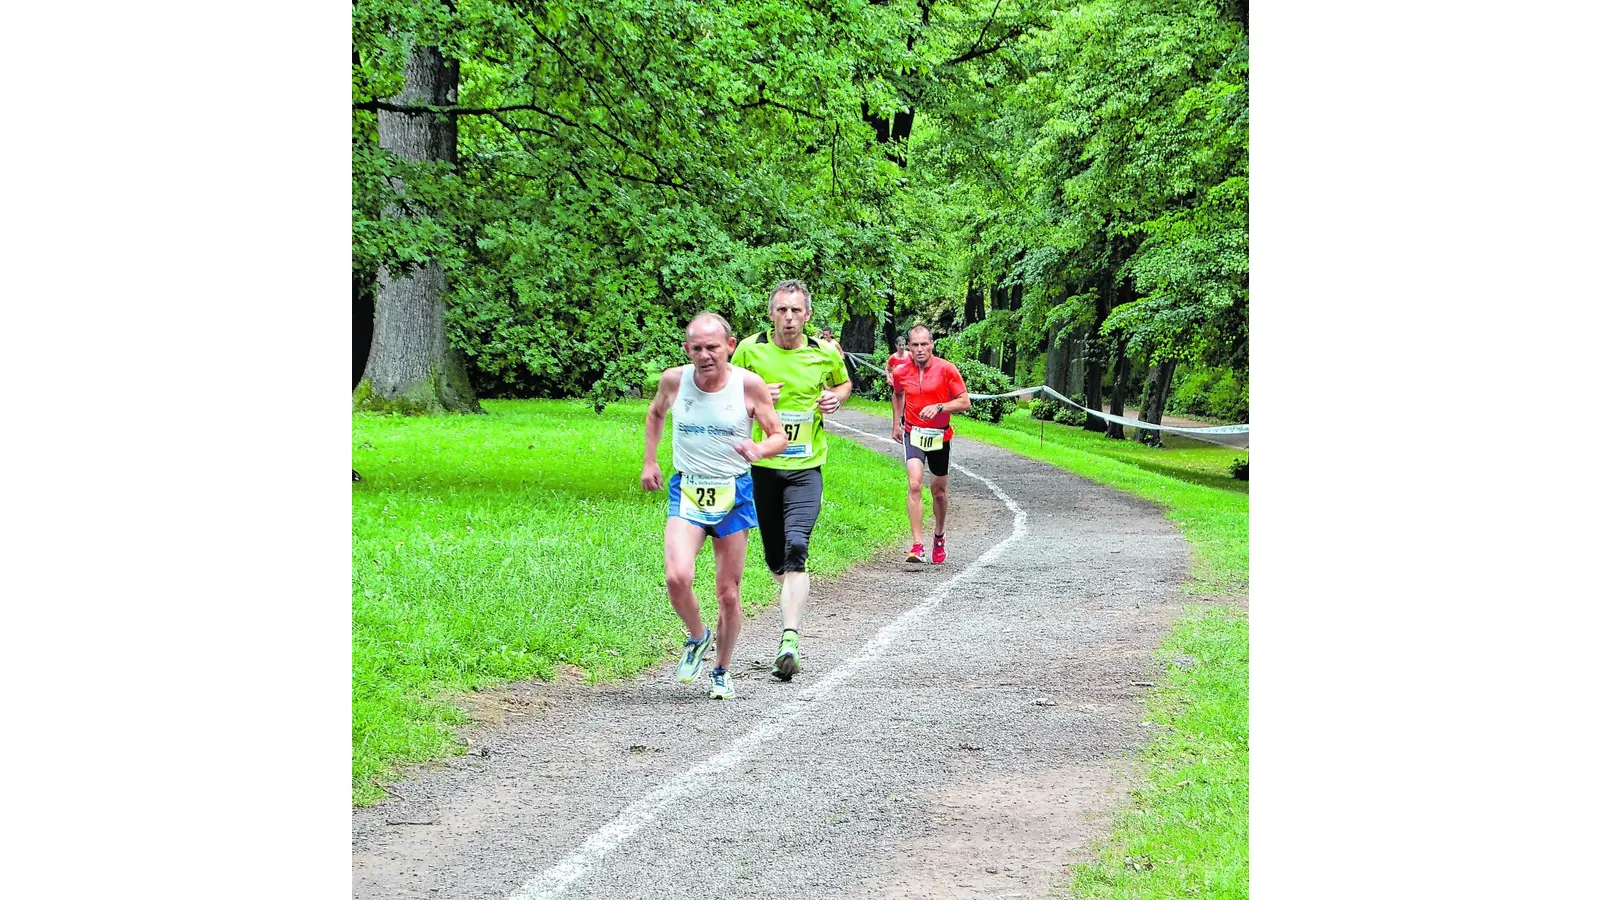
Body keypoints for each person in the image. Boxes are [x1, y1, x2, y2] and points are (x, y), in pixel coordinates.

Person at [642, 312, 789, 699]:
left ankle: (722, 670)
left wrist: (759, 448)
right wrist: (650, 460)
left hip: (733, 492)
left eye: (712, 347)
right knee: (677, 576)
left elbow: (779, 436)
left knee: (728, 592)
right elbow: (656, 413)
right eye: (697, 348)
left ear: (730, 345)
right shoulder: (674, 381)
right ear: (687, 349)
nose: (705, 355)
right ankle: (697, 636)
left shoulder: (748, 385)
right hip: (687, 489)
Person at [731, 279, 853, 681]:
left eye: (796, 310)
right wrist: (753, 396)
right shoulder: (749, 350)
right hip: (763, 469)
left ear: (807, 315)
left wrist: (837, 397)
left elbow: (843, 382)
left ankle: (789, 639)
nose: (788, 317)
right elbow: (725, 394)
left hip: (806, 467)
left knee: (797, 545)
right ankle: (791, 598)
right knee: (775, 559)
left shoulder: (824, 352)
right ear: (770, 314)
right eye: (781, 310)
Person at [890, 325, 971, 565]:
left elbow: (964, 402)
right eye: (915, 345)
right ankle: (917, 545)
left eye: (924, 344)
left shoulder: (947, 369)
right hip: (913, 432)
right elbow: (897, 394)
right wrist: (896, 423)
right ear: (909, 347)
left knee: (939, 492)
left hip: (939, 436)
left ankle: (939, 535)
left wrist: (940, 407)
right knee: (914, 484)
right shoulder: (901, 371)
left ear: (932, 344)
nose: (920, 349)